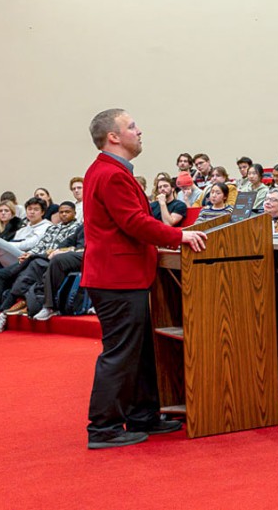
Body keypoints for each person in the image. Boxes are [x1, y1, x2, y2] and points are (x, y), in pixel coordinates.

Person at [76, 109, 207, 450]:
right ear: (113, 137)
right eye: (132, 126)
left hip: (121, 275)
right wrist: (180, 236)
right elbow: (134, 222)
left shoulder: (106, 170)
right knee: (120, 353)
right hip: (117, 277)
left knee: (139, 351)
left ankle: (142, 414)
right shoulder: (113, 174)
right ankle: (103, 427)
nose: (140, 131)